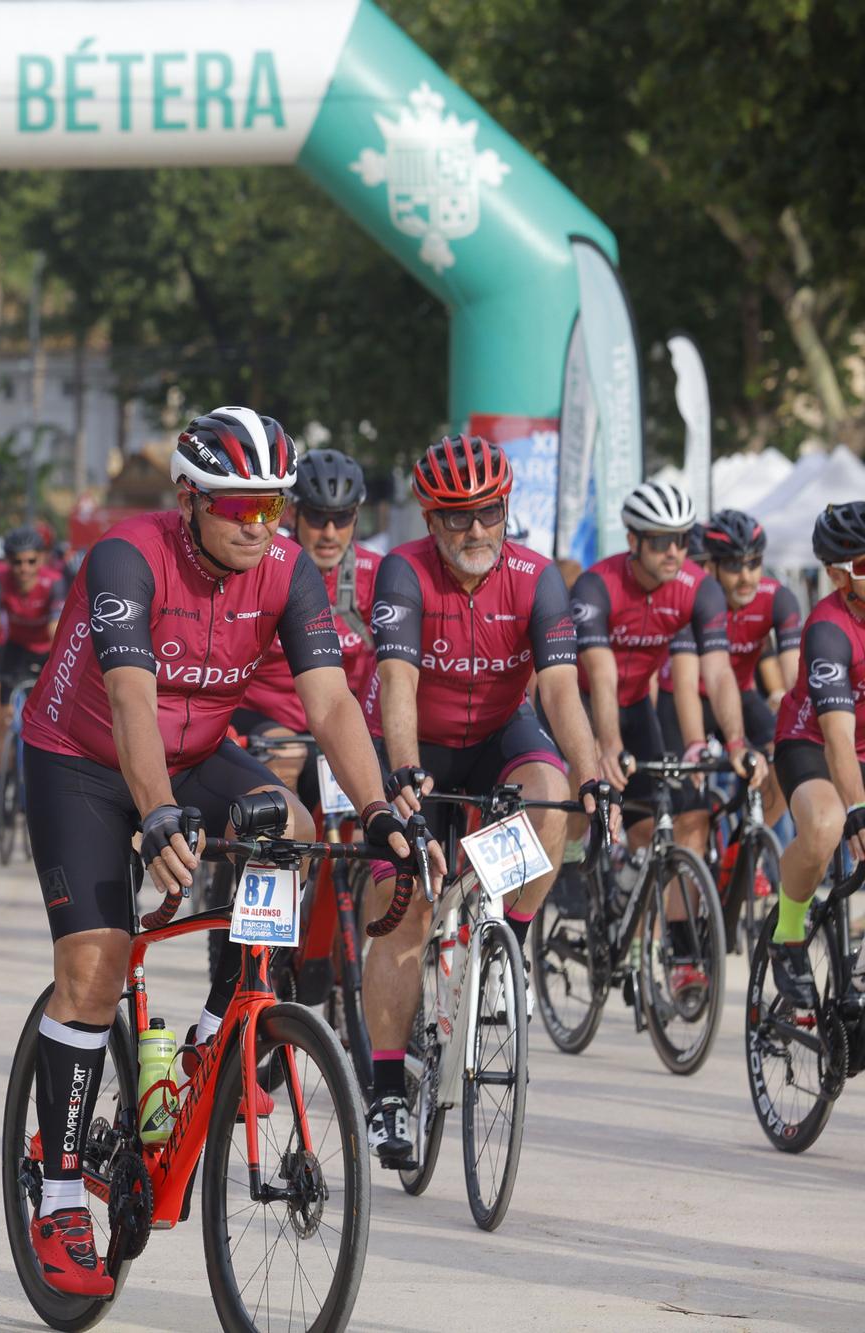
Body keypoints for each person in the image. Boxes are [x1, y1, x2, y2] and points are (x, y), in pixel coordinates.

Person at [17, 408, 413, 1296]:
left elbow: (332, 705)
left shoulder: (284, 570)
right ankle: (56, 1193)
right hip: (80, 759)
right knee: (96, 965)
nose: (258, 524)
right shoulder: (127, 555)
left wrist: (381, 805)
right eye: (238, 505)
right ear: (191, 498)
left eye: (271, 506)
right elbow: (126, 697)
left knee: (294, 829)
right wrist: (155, 814)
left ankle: (220, 1025)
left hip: (194, 753)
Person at [362, 434, 603, 1167]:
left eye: (489, 513)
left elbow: (560, 689)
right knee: (401, 917)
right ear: (431, 522)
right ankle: (387, 1094)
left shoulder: (536, 578)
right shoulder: (402, 572)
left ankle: (510, 942)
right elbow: (398, 682)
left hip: (499, 731)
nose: (476, 531)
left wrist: (593, 775)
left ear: (507, 510)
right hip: (415, 744)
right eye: (458, 518)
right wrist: (403, 775)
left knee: (553, 800)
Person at [571, 481, 767, 858]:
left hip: (637, 703)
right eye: (660, 542)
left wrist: (737, 742)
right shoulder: (596, 585)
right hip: (581, 699)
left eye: (680, 539)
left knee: (648, 829)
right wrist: (607, 745)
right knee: (582, 780)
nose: (674, 552)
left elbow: (718, 672)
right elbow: (601, 673)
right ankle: (565, 865)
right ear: (633, 541)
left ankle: (631, 894)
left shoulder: (699, 587)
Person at [235, 449, 378, 795]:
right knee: (287, 755)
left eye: (342, 518)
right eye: (316, 517)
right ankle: (284, 848)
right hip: (263, 719)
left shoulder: (377, 573)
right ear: (294, 514)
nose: (329, 532)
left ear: (356, 517)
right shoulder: (264, 565)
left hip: (336, 722)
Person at [767, 502, 865, 1005]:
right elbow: (839, 740)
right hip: (812, 744)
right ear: (836, 575)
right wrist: (857, 810)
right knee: (828, 825)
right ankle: (787, 934)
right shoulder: (828, 631)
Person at [655, 509, 799, 817]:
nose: (746, 576)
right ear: (711, 567)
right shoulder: (694, 600)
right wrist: (695, 744)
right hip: (685, 700)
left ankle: (745, 848)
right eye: (734, 565)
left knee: (786, 762)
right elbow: (684, 685)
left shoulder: (777, 598)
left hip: (739, 697)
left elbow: (795, 674)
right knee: (692, 816)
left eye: (754, 563)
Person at [0, 524, 66, 834]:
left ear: (41, 560)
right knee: (0, 717)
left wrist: (59, 669)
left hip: (48, 651)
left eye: (31, 561)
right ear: (8, 562)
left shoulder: (54, 582)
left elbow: (56, 629)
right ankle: (1, 798)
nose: (24, 569)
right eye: (17, 562)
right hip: (14, 652)